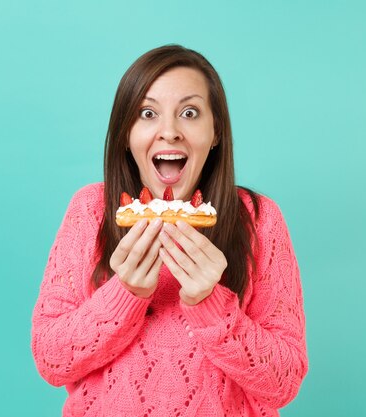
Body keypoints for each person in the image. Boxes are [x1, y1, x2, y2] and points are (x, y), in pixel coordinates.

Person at [31, 44, 308, 417]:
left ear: (215, 133)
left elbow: (283, 383)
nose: (170, 132)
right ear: (126, 134)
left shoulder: (259, 219)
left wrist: (209, 304)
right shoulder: (90, 210)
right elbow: (51, 360)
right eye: (148, 113)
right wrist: (124, 294)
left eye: (189, 113)